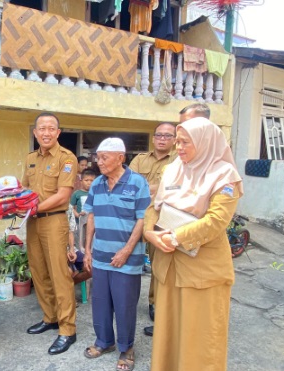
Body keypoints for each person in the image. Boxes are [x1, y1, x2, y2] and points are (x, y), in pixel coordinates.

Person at [143, 117, 243, 370]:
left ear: (205, 142)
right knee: (168, 333)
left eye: (185, 142)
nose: (179, 147)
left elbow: (217, 221)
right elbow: (155, 206)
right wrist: (149, 232)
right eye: (177, 141)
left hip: (202, 270)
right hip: (169, 265)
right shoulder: (174, 168)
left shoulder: (224, 175)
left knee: (199, 338)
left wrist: (175, 238)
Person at [82, 138, 150, 371]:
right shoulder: (97, 184)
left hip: (127, 259)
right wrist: (87, 250)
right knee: (99, 303)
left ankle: (126, 348)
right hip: (100, 255)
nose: (98, 162)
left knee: (124, 305)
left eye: (104, 157)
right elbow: (91, 217)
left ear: (120, 158)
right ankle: (104, 342)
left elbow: (143, 218)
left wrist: (127, 250)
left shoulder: (138, 183)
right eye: (97, 157)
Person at [22, 112, 78, 355]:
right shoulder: (30, 158)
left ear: (58, 133)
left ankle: (67, 329)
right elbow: (24, 189)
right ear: (35, 132)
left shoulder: (67, 158)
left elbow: (63, 195)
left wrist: (31, 207)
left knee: (59, 275)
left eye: (50, 128)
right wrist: (12, 200)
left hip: (54, 222)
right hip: (32, 222)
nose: (45, 132)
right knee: (39, 271)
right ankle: (50, 317)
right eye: (41, 128)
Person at [129, 122, 176, 335]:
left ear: (174, 139)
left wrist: (148, 189)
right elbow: (129, 184)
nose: (162, 139)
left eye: (168, 135)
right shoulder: (139, 159)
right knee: (127, 258)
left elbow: (175, 187)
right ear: (153, 137)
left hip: (161, 220)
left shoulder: (179, 160)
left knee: (159, 265)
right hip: (135, 218)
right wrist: (155, 189)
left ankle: (155, 303)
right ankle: (124, 300)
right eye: (159, 135)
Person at [70, 168, 96, 250]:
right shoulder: (77, 193)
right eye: (86, 180)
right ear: (81, 181)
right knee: (80, 242)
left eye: (92, 180)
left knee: (92, 242)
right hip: (80, 223)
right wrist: (77, 214)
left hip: (93, 222)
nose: (89, 183)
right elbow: (70, 207)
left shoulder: (96, 194)